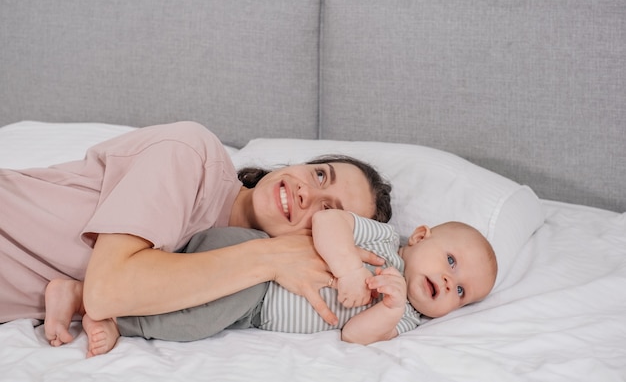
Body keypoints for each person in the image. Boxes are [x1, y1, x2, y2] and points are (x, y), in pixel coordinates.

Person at [0, 121, 392, 343]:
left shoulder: (222, 271)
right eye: (320, 174)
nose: (309, 191)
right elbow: (104, 293)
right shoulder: (193, 153)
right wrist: (271, 258)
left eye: (328, 212)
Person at [45, 209, 497, 356]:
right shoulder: (382, 241)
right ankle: (117, 316)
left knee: (197, 312)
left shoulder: (409, 319)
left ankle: (78, 295)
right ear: (420, 237)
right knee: (196, 318)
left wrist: (389, 310)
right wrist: (350, 271)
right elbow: (327, 220)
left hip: (255, 311)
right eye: (451, 261)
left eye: (461, 291)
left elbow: (352, 335)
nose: (447, 280)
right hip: (252, 261)